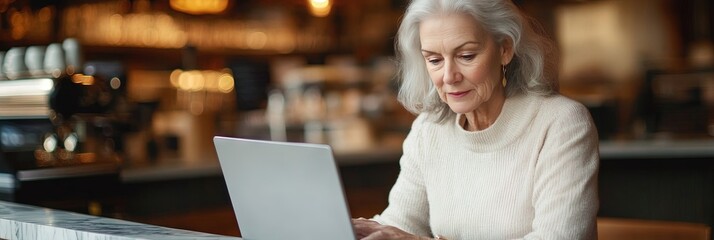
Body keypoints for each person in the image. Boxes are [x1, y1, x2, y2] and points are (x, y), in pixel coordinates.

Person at [351, 0, 599, 239]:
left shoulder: (560, 124)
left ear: (505, 49)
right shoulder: (428, 130)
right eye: (434, 60)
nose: (449, 77)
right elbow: (400, 223)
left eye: (467, 56)